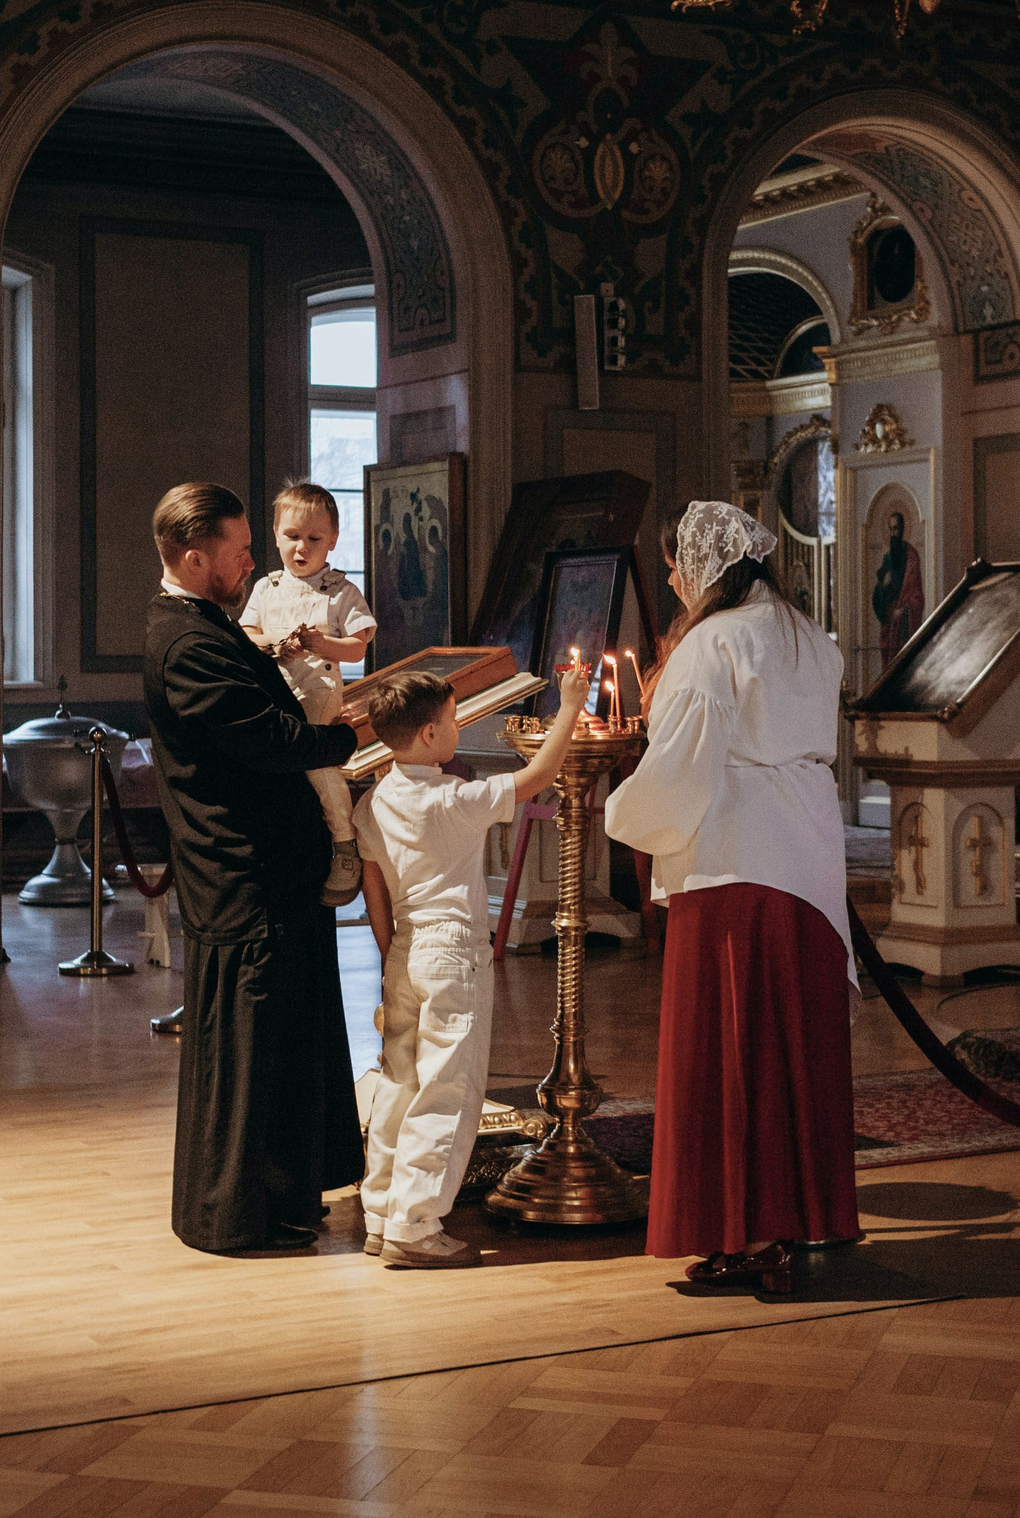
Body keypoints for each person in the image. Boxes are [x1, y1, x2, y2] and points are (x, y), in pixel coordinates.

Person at [604, 499, 857, 1297]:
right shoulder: (805, 633)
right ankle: (796, 1216)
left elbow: (683, 763)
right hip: (809, 861)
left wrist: (621, 814)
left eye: (678, 564)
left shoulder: (710, 643)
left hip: (735, 861)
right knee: (794, 1046)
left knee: (730, 1054)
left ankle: (742, 1233)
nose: (673, 578)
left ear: (706, 570)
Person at [145, 481, 364, 1254]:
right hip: (243, 876)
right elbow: (266, 737)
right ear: (196, 556)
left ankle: (280, 1197)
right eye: (238, 549)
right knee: (249, 1046)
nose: (251, 559)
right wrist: (349, 738)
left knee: (280, 1042)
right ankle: (234, 1214)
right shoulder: (188, 639)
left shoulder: (205, 622)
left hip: (268, 875)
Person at [351, 660, 590, 1270]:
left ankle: (382, 1214)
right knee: (448, 1090)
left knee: (399, 1084)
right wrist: (569, 705)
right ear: (429, 734)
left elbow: (372, 885)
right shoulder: (449, 799)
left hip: (404, 949)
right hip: (453, 950)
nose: (459, 728)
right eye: (454, 719)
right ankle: (416, 1226)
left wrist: (389, 955)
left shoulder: (374, 802)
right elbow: (538, 775)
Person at [237, 482, 377, 907]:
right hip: (273, 691)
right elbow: (248, 635)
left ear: (333, 539)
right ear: (276, 534)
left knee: (316, 758)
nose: (302, 548)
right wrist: (279, 642)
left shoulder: (341, 591)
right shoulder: (266, 588)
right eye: (292, 536)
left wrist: (319, 645)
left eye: (314, 538)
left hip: (317, 689)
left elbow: (358, 644)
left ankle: (344, 843)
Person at [872, 508, 925, 663]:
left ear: (902, 529)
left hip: (904, 623)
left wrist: (903, 610)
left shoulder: (912, 556)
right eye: (890, 529)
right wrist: (883, 586)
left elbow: (917, 596)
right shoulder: (887, 558)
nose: (892, 533)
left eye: (895, 528)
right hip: (890, 623)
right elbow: (877, 597)